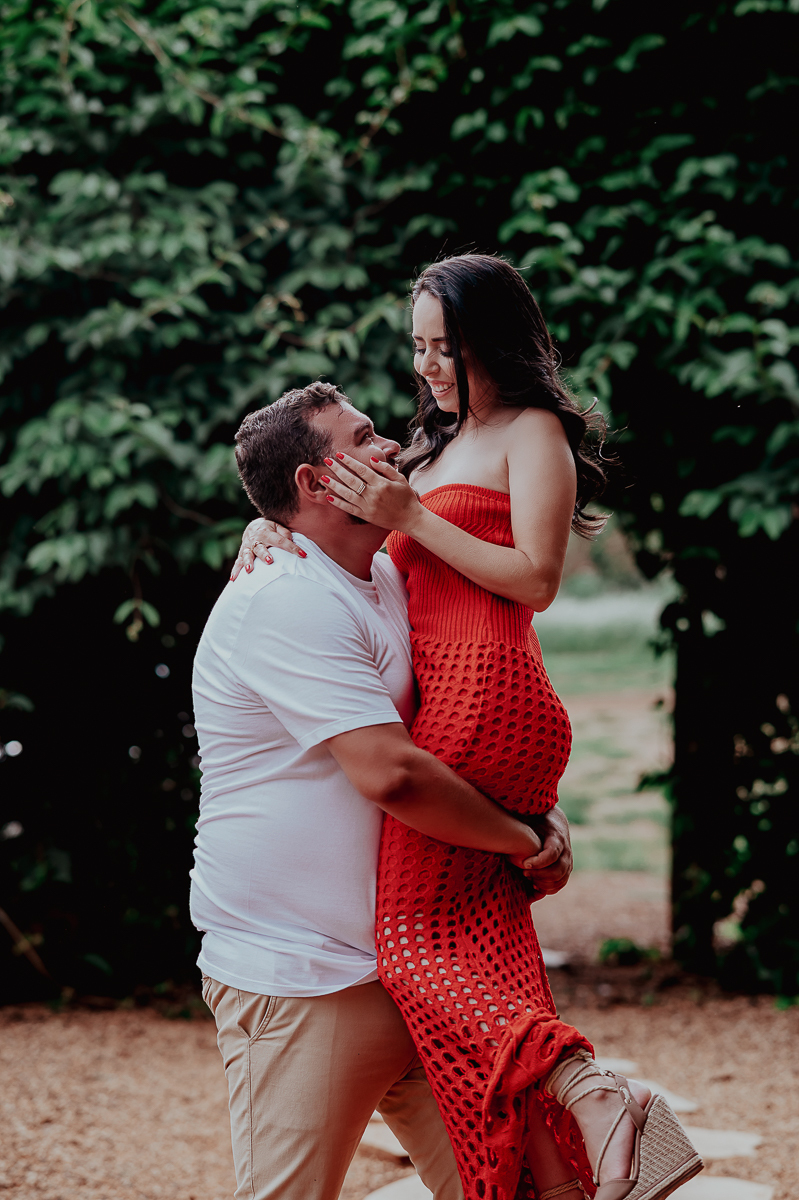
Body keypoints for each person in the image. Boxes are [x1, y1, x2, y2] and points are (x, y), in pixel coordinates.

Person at [233, 255, 702, 1200]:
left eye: (445, 346)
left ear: (494, 339)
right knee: (487, 950)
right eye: (418, 347)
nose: (428, 366)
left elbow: (536, 579)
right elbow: (341, 531)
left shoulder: (532, 431)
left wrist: (411, 514)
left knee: (408, 946)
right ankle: (561, 1176)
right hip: (448, 694)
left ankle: (596, 1094)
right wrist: (263, 528)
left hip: (484, 691)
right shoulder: (431, 446)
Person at [190, 379, 577, 1200]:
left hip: (420, 962)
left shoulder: (388, 574)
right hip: (305, 973)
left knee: (515, 1188)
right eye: (363, 438)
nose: (392, 446)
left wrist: (538, 809)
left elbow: (463, 712)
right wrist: (520, 842)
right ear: (313, 482)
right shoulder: (281, 596)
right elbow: (392, 774)